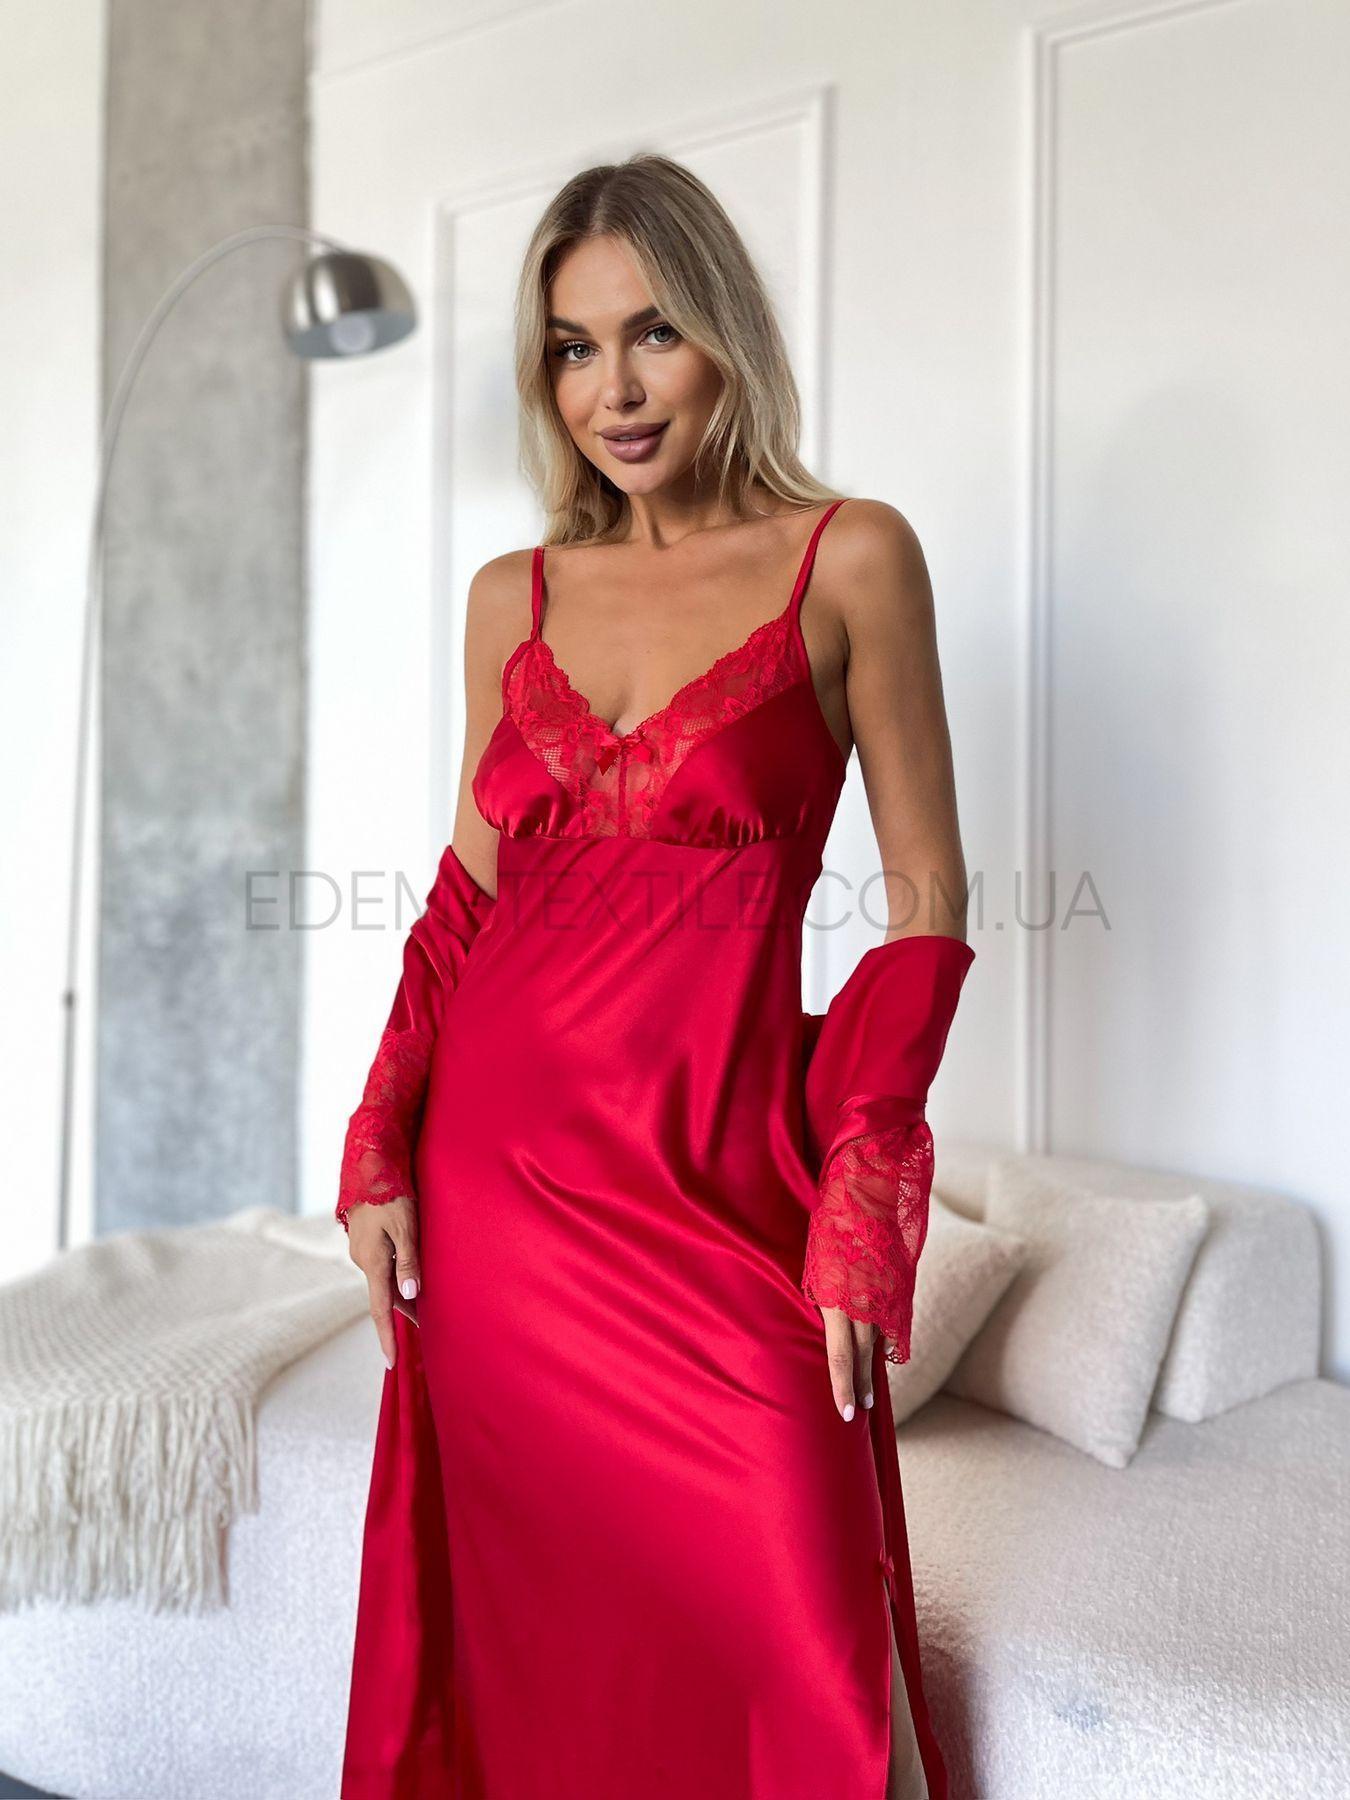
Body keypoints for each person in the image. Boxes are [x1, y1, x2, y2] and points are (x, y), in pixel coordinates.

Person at [334, 152, 974, 1800]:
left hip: (716, 1191)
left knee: (796, 1639)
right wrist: (380, 1131)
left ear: (724, 338)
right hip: (497, 1202)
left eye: (652, 334)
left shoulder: (851, 558)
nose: (611, 390)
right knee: (545, 1654)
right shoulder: (515, 596)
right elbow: (465, 901)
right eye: (571, 347)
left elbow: (923, 899)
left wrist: (865, 1191)